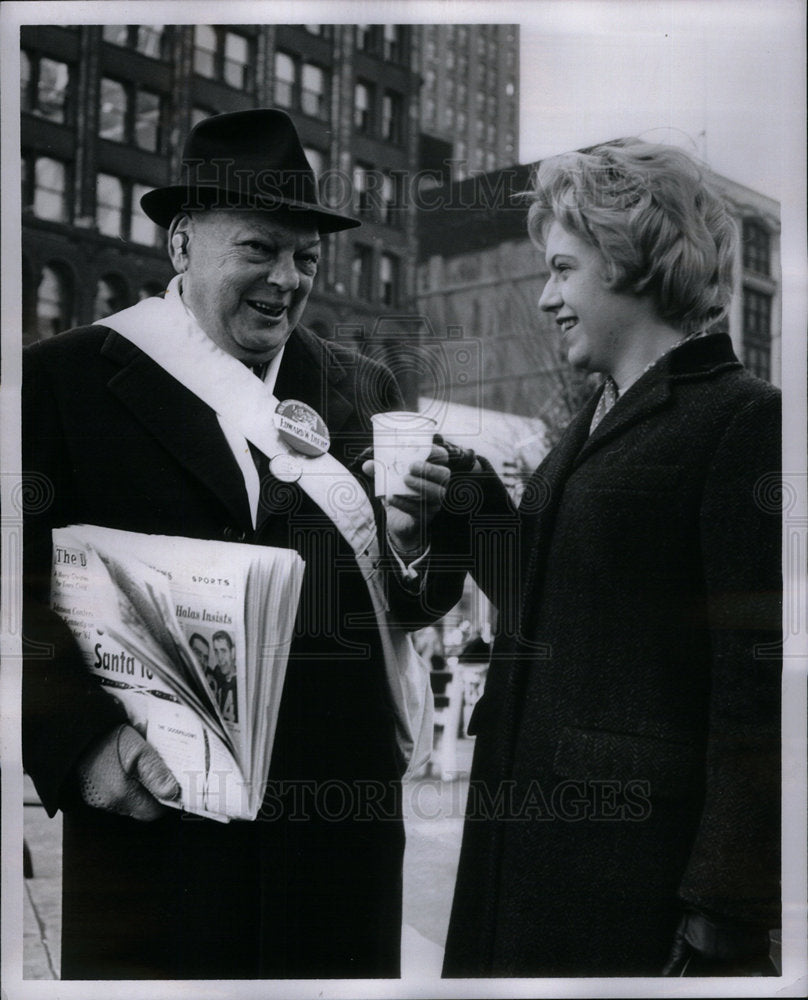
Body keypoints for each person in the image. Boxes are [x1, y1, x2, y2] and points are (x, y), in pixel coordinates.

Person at [22, 109, 470, 979]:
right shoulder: (62, 380)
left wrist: (417, 544)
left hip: (336, 842)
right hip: (160, 841)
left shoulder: (357, 384)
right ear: (183, 242)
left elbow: (408, 600)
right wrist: (85, 745)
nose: (287, 279)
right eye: (260, 249)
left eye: (306, 258)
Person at [442, 139, 781, 977]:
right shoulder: (593, 420)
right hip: (525, 853)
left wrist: (724, 907)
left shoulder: (743, 420)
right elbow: (545, 594)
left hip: (627, 877)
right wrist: (467, 491)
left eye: (562, 269)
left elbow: (755, 684)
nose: (547, 298)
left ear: (630, 259)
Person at [211, 630, 238, 723]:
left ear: (233, 652)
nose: (220, 658)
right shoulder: (216, 673)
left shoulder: (239, 685)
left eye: (223, 651)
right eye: (216, 652)